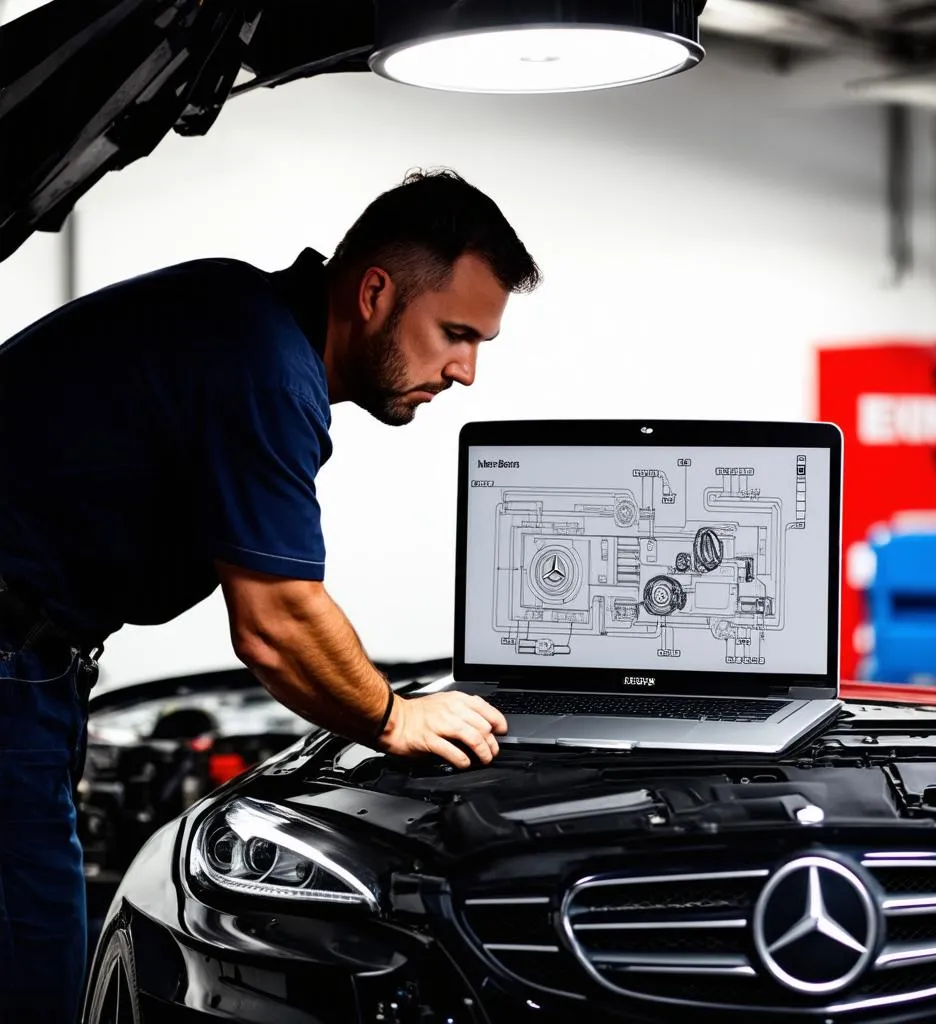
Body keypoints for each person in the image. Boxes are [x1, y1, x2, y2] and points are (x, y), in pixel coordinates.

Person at [0, 167, 541, 1024]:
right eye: (454, 333)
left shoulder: (239, 314)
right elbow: (278, 621)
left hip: (33, 659)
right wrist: (394, 717)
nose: (465, 371)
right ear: (374, 293)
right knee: (28, 968)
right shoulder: (265, 369)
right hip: (6, 661)